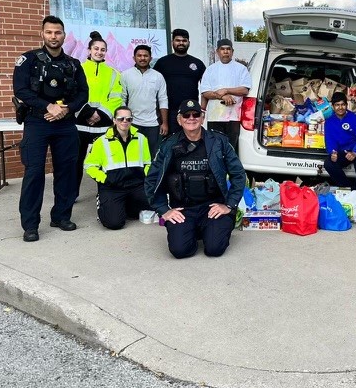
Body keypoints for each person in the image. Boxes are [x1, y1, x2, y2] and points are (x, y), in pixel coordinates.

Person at [13, 15, 89, 242]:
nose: (53, 36)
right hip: (37, 122)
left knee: (66, 171)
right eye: (49, 32)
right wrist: (48, 106)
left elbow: (84, 93)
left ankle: (61, 216)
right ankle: (30, 225)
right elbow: (21, 90)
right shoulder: (28, 60)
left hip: (65, 122)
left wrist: (66, 109)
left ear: (64, 35)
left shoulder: (73, 64)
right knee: (34, 172)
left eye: (57, 32)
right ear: (42, 34)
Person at [144, 99, 246, 259]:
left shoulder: (220, 142)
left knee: (214, 249)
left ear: (202, 117)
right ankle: (195, 230)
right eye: (186, 115)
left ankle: (211, 230)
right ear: (179, 119)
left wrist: (229, 205)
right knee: (180, 251)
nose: (191, 118)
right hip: (183, 209)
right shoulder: (168, 145)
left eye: (196, 114)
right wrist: (163, 210)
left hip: (212, 207)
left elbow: (238, 174)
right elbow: (152, 178)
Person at [83, 106, 152, 230]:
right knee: (114, 223)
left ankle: (127, 207)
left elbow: (148, 163)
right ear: (114, 120)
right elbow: (90, 166)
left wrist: (145, 176)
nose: (125, 121)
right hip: (113, 187)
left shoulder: (141, 139)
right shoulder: (101, 141)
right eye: (121, 119)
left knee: (156, 203)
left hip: (136, 185)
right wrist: (105, 179)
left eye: (128, 119)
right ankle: (103, 202)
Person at [74, 31, 122, 198]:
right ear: (89, 50)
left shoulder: (114, 73)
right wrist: (86, 112)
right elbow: (73, 93)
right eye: (96, 48)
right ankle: (72, 195)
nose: (99, 52)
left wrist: (100, 113)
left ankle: (104, 193)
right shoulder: (77, 69)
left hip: (102, 125)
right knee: (75, 162)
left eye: (103, 49)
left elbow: (117, 97)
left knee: (103, 161)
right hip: (79, 123)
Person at [200, 38, 252, 152]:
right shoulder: (210, 70)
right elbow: (205, 92)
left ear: (232, 51)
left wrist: (226, 90)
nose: (225, 52)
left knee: (231, 147)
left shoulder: (241, 69)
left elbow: (245, 90)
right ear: (217, 52)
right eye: (222, 49)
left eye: (228, 49)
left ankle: (230, 169)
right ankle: (217, 169)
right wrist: (222, 96)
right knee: (214, 147)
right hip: (215, 116)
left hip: (234, 116)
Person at [153, 28, 206, 134]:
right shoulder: (162, 63)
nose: (181, 43)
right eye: (178, 40)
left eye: (184, 40)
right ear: (172, 42)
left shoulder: (197, 63)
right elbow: (153, 87)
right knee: (170, 143)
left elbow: (206, 88)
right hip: (168, 112)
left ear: (189, 43)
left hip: (191, 112)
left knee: (192, 141)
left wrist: (202, 108)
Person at [120, 44, 169, 158]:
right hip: (132, 123)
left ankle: (150, 176)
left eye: (145, 56)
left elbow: (163, 100)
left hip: (153, 124)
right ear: (134, 58)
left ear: (150, 58)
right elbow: (122, 99)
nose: (142, 58)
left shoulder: (158, 76)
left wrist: (164, 123)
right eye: (139, 56)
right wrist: (123, 120)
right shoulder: (125, 75)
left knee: (152, 156)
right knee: (133, 155)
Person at [324, 91, 356, 190]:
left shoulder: (355, 118)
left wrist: (354, 152)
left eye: (343, 104)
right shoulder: (329, 122)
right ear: (332, 106)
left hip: (355, 151)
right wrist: (332, 153)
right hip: (341, 153)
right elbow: (329, 141)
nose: (340, 108)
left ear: (346, 105)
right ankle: (347, 186)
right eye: (337, 105)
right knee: (328, 163)